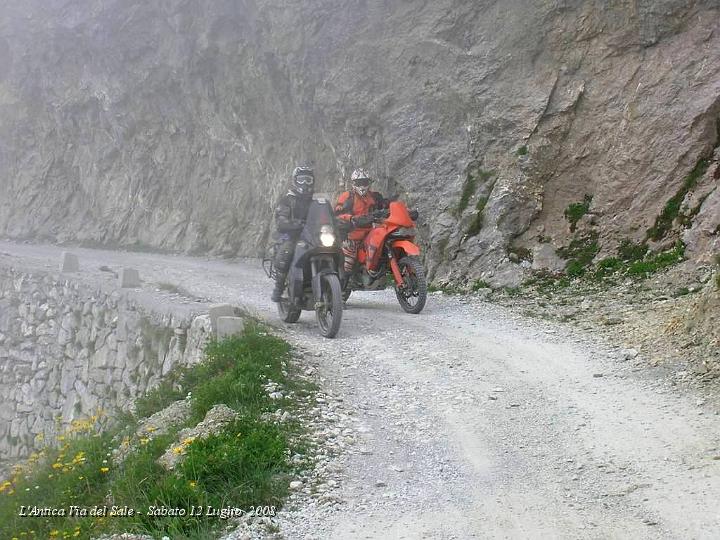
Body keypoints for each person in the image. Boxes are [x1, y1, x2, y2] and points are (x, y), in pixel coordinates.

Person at [270, 166, 315, 302]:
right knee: (287, 250)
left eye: (308, 180)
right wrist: (291, 223)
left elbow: (328, 216)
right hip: (292, 235)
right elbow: (281, 220)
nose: (305, 183)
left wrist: (337, 222)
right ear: (295, 181)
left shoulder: (316, 200)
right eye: (301, 180)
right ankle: (279, 287)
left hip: (312, 236)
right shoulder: (287, 200)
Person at [334, 168, 388, 274]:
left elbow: (387, 205)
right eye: (359, 183)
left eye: (364, 182)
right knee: (347, 262)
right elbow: (337, 214)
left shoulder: (375, 197)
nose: (362, 186)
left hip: (372, 232)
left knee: (386, 243)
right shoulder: (347, 196)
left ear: (369, 183)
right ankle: (342, 284)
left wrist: (404, 210)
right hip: (352, 234)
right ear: (353, 183)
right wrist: (351, 219)